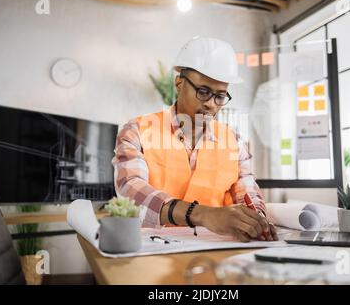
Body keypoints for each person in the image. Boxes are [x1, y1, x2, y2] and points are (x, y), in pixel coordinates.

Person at [112, 36, 277, 242]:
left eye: (220, 96)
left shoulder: (233, 140)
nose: (211, 104)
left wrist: (256, 219)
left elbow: (247, 188)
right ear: (179, 83)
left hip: (217, 249)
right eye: (203, 91)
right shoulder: (137, 130)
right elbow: (131, 192)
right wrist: (203, 215)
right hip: (153, 248)